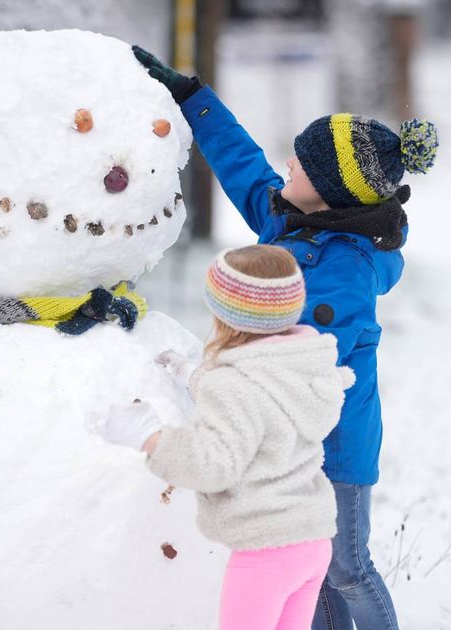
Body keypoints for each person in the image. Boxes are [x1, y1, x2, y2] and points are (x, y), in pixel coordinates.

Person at [131, 44, 439, 630]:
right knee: (313, 565)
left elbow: (307, 362)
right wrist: (193, 98)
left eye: (299, 165)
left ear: (328, 191)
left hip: (336, 448)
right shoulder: (293, 221)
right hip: (293, 441)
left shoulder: (344, 271)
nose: (287, 169)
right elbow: (243, 165)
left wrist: (224, 387)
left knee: (345, 566)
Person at [97, 244, 355, 630]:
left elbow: (213, 464)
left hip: (265, 552)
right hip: (313, 542)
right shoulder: (304, 365)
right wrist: (192, 374)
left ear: (228, 315)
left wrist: (149, 435)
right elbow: (259, 399)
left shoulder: (234, 385)